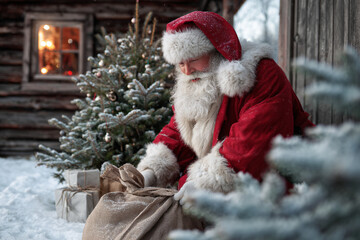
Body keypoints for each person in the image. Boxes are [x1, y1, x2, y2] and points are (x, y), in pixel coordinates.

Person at [137, 11, 314, 203]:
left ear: (217, 51)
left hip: (279, 192)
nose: (187, 71)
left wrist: (201, 181)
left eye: (194, 59)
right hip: (232, 193)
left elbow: (254, 144)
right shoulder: (199, 82)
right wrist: (153, 170)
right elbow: (180, 131)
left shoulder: (261, 74)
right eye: (180, 63)